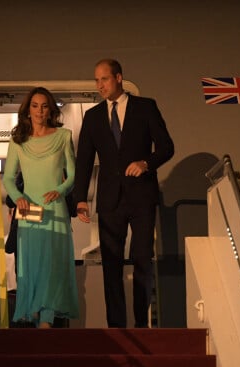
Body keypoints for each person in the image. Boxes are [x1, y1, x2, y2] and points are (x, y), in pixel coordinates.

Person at [73, 59, 174, 328]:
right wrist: (80, 199)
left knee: (142, 260)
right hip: (109, 200)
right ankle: (117, 327)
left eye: (104, 79)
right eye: (96, 80)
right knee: (112, 266)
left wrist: (145, 163)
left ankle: (142, 325)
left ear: (118, 78)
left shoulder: (145, 107)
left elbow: (166, 147)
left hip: (141, 197)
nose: (99, 86)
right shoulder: (93, 116)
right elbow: (83, 160)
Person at [2, 86, 79, 328]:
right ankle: (36, 316)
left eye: (44, 106)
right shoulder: (18, 141)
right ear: (27, 110)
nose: (39, 111)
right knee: (31, 264)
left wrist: (61, 189)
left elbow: (73, 175)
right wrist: (17, 197)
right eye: (34, 106)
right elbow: (8, 178)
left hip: (55, 208)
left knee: (52, 266)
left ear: (51, 110)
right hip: (28, 211)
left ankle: (46, 319)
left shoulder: (63, 136)